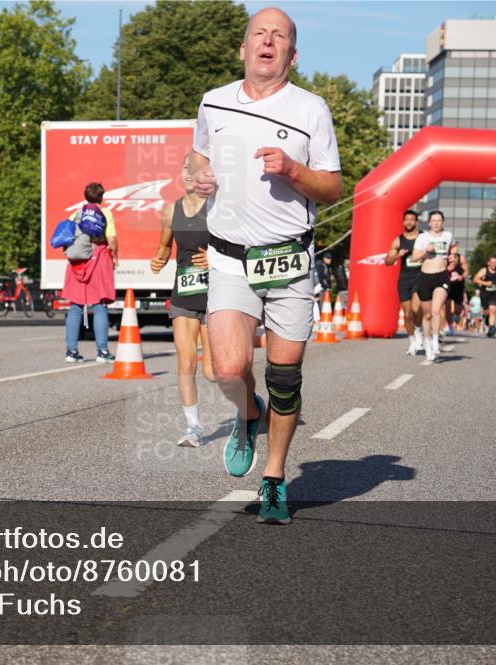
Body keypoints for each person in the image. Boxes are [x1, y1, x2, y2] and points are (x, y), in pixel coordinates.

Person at [191, 6, 342, 524]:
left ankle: (275, 477)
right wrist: (200, 176)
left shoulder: (310, 109)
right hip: (230, 257)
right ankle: (247, 413)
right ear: (243, 48)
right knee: (228, 369)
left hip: (288, 260)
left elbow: (333, 186)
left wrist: (296, 171)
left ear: (292, 54)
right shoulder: (213, 102)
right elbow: (197, 157)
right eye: (260, 33)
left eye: (279, 36)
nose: (268, 41)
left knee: (284, 376)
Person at [150, 155, 216, 447]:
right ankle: (193, 428)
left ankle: (249, 404)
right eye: (186, 168)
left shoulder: (219, 208)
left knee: (214, 373)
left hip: (217, 295)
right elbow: (164, 246)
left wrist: (215, 258)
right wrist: (159, 260)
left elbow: (243, 246)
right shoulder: (170, 211)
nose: (190, 174)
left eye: (197, 169)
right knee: (185, 363)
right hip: (185, 294)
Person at [62, 183, 119, 362]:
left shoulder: (76, 213)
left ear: (85, 196)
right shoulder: (105, 213)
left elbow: (67, 235)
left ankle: (71, 352)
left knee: (75, 306)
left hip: (77, 261)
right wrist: (115, 257)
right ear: (102, 197)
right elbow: (111, 238)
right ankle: (102, 352)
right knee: (99, 304)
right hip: (98, 259)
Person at [410, 210, 452, 362]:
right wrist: (425, 252)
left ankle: (435, 341)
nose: (436, 223)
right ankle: (427, 344)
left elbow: (452, 250)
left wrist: (453, 258)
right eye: (433, 220)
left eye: (439, 220)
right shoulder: (422, 237)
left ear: (442, 222)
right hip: (425, 277)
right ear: (429, 223)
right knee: (426, 315)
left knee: (436, 310)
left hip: (441, 276)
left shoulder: (448, 236)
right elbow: (414, 258)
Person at [384, 209, 423, 355]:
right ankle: (413, 342)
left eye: (412, 220)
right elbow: (387, 262)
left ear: (416, 222)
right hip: (405, 278)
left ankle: (419, 333)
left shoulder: (423, 237)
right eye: (406, 220)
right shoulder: (398, 241)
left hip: (420, 277)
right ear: (403, 222)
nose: (409, 222)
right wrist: (397, 256)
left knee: (416, 308)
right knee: (407, 314)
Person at [473, 254, 496, 337]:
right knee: (487, 312)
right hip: (484, 293)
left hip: (494, 293)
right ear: (488, 263)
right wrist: (485, 283)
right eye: (492, 262)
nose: (494, 264)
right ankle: (486, 319)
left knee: (493, 310)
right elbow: (475, 279)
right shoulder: (484, 270)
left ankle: (491, 329)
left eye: (495, 262)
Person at [445, 242, 468, 337]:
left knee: (457, 310)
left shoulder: (461, 257)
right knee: (448, 307)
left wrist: (462, 277)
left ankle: (455, 318)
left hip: (458, 286)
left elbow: (466, 270)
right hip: (448, 285)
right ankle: (449, 326)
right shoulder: (445, 257)